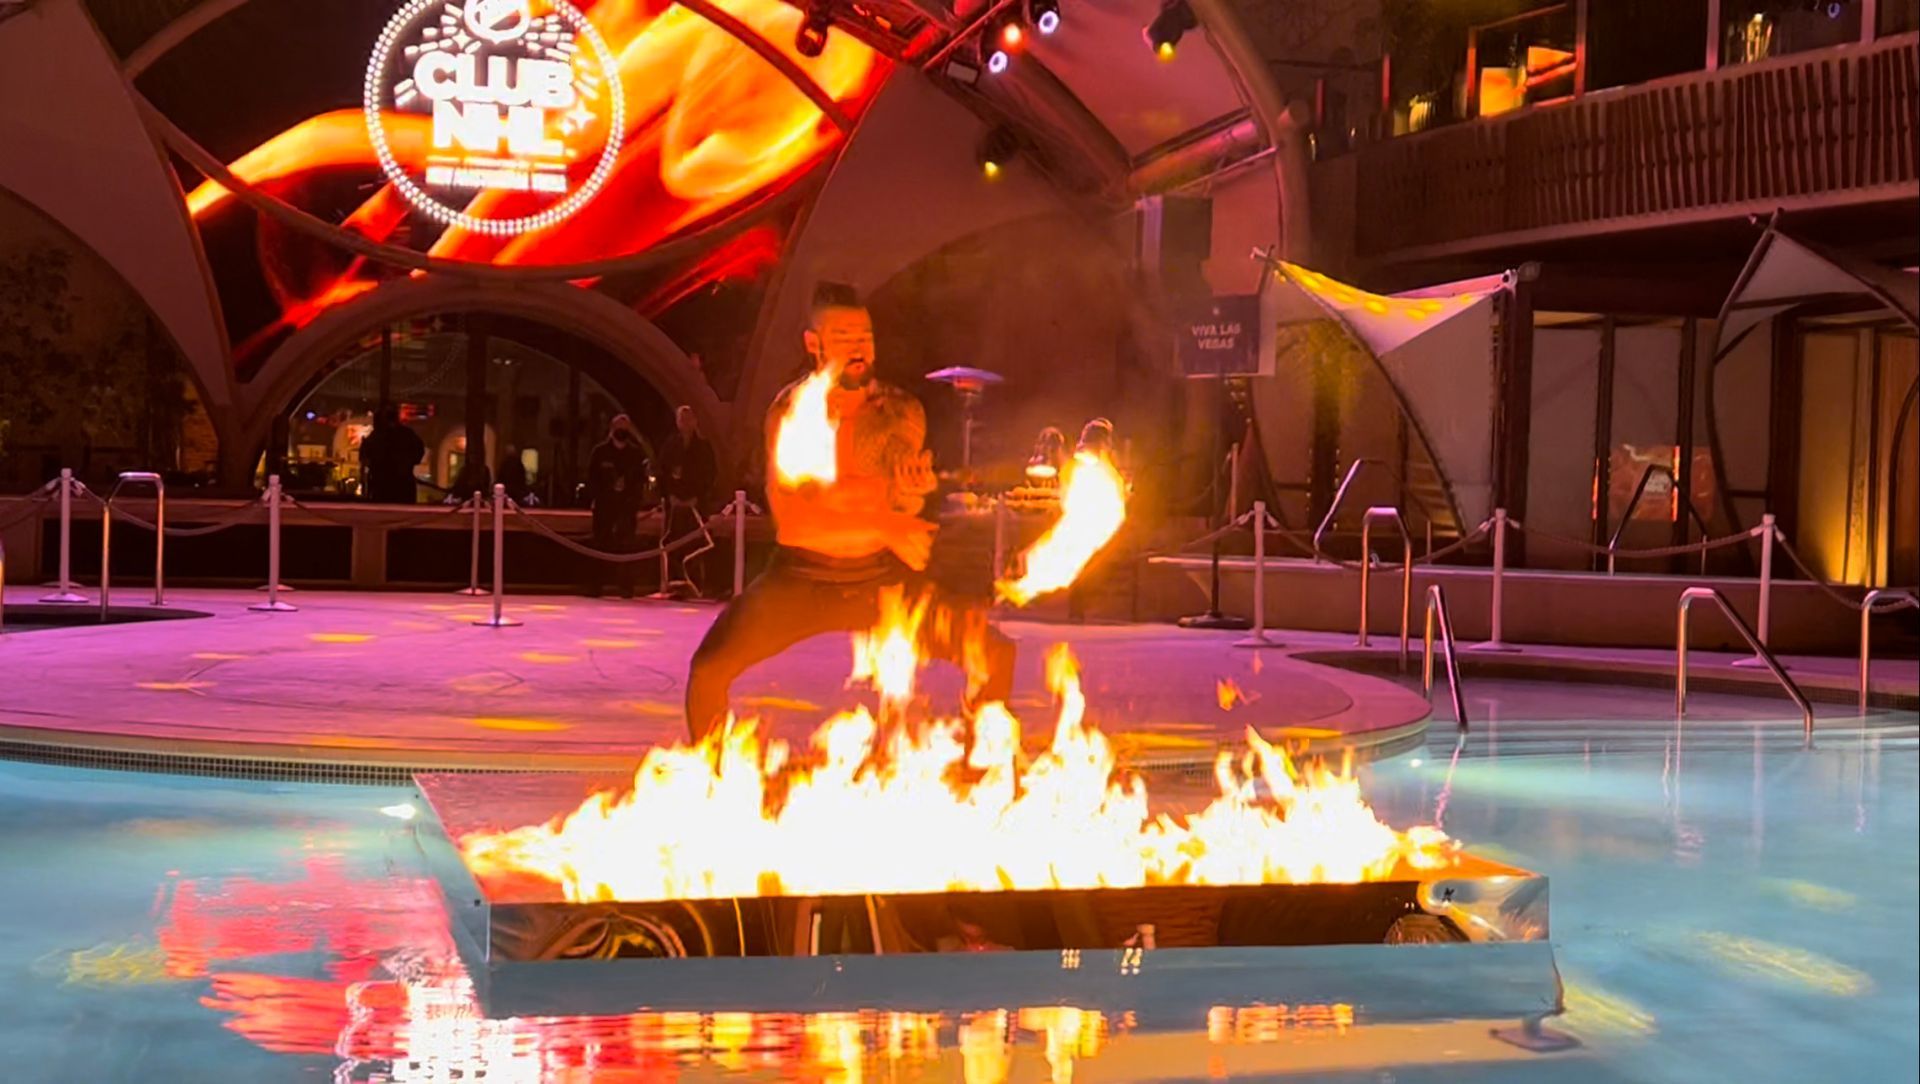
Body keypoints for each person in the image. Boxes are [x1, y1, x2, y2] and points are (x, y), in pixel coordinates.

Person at [684, 282, 1017, 741]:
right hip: (802, 579)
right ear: (813, 344)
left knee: (995, 653)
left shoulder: (899, 411)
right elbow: (797, 522)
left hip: (879, 580)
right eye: (844, 336)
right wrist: (886, 521)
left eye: (866, 335)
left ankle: (982, 775)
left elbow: (901, 504)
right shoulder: (792, 414)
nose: (859, 348)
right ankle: (710, 784)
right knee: (708, 671)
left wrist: (912, 492)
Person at [584, 414, 649, 598]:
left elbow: (640, 481)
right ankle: (595, 586)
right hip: (604, 507)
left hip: (626, 508)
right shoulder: (600, 452)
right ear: (612, 428)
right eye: (620, 427)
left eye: (626, 428)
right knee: (599, 544)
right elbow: (592, 478)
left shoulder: (636, 454)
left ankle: (626, 587)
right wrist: (599, 496)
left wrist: (632, 501)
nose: (623, 431)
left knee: (627, 546)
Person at [655, 405, 717, 595]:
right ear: (677, 422)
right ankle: (673, 585)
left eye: (689, 418)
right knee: (672, 544)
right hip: (674, 505)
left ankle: (696, 587)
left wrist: (696, 497)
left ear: (695, 421)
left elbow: (710, 474)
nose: (686, 423)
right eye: (682, 419)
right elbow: (662, 473)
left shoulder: (704, 447)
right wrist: (669, 495)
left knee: (698, 543)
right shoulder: (670, 446)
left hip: (696, 504)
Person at [358, 407, 425, 503]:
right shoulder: (407, 434)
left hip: (382, 485)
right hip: (403, 485)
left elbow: (365, 459)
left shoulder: (376, 437)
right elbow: (418, 452)